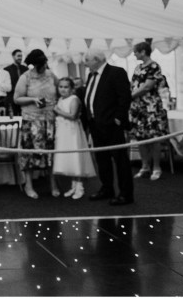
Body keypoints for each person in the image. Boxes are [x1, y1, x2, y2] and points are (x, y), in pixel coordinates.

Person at [82, 49, 133, 206]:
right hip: (95, 124)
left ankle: (126, 194)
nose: (86, 63)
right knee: (101, 159)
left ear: (97, 60)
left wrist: (117, 119)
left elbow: (124, 97)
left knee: (120, 160)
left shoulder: (116, 72)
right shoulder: (91, 74)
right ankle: (107, 188)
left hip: (112, 124)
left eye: (88, 60)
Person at [13, 49, 59, 199]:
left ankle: (53, 184)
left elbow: (61, 91)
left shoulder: (51, 75)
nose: (45, 66)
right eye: (42, 64)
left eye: (45, 63)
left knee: (51, 154)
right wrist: (33, 100)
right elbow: (17, 99)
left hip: (50, 120)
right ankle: (29, 185)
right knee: (29, 153)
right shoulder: (25, 77)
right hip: (31, 120)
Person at [129, 42, 170, 181]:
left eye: (136, 52)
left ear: (143, 52)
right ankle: (144, 166)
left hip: (151, 107)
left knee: (154, 138)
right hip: (138, 107)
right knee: (140, 138)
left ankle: (157, 167)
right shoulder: (137, 68)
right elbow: (133, 85)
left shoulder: (154, 66)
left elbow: (147, 87)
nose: (134, 54)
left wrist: (131, 96)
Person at [52, 77, 97, 199]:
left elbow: (72, 115)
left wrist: (57, 111)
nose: (63, 89)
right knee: (69, 158)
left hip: (72, 131)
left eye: (66, 87)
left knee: (76, 156)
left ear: (72, 89)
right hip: (63, 131)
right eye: (60, 87)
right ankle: (73, 185)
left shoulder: (74, 99)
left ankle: (80, 186)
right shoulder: (61, 99)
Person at [4, 49, 28, 115]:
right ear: (13, 56)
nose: (20, 58)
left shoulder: (26, 69)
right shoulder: (6, 70)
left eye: (21, 56)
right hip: (11, 99)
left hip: (23, 99)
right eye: (18, 56)